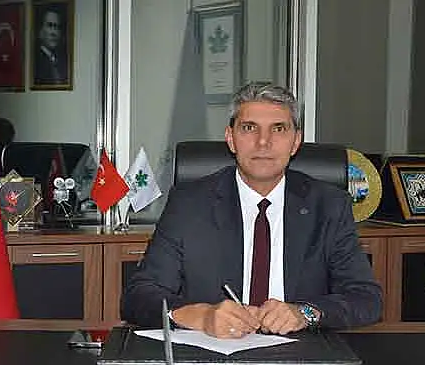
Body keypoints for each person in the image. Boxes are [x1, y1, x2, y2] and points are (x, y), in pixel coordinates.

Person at [121, 81, 382, 338]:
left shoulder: (329, 206)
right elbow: (138, 296)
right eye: (249, 128)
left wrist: (305, 313)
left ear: (295, 142)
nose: (263, 142)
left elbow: (366, 299)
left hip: (302, 352)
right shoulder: (189, 204)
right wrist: (200, 315)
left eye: (278, 129)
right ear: (231, 139)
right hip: (215, 350)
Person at [34, 7, 68, 85]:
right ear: (40, 31)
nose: (54, 32)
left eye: (57, 27)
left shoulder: (62, 60)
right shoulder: (35, 61)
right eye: (50, 25)